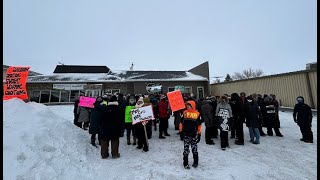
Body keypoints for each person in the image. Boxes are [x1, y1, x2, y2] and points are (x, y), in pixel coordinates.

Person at [179, 100, 202, 169]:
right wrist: (181, 132)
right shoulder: (185, 113)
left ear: (193, 106)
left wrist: (199, 134)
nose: (188, 107)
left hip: (194, 135)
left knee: (194, 149)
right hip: (186, 134)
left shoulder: (197, 114)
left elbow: (199, 125)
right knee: (186, 150)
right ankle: (185, 163)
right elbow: (181, 123)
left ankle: (196, 162)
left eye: (189, 105)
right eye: (187, 105)